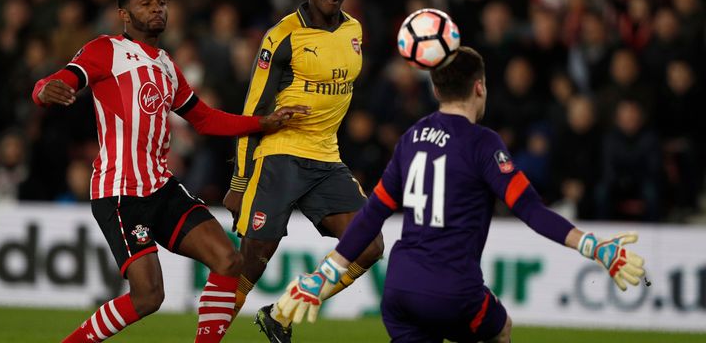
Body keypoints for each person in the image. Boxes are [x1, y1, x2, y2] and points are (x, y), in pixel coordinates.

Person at [275, 47, 647, 343]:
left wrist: (324, 273)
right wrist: (594, 246)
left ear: (436, 90)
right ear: (480, 87)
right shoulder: (483, 143)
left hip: (400, 290)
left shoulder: (412, 137)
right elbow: (531, 211)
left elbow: (372, 213)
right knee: (501, 330)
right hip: (453, 292)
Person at [32, 0, 309, 343]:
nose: (157, 8)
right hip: (121, 192)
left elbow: (205, 119)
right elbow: (59, 79)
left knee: (229, 261)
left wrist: (263, 122)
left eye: (161, 2)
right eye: (146, 2)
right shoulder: (105, 50)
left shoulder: (165, 64)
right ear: (124, 14)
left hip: (161, 186)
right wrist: (43, 90)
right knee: (149, 297)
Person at [221, 0, 384, 342]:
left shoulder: (354, 31)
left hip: (327, 158)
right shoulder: (282, 36)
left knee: (369, 246)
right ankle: (207, 335)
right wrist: (240, 182)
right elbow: (253, 110)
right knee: (252, 263)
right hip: (279, 156)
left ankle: (283, 312)